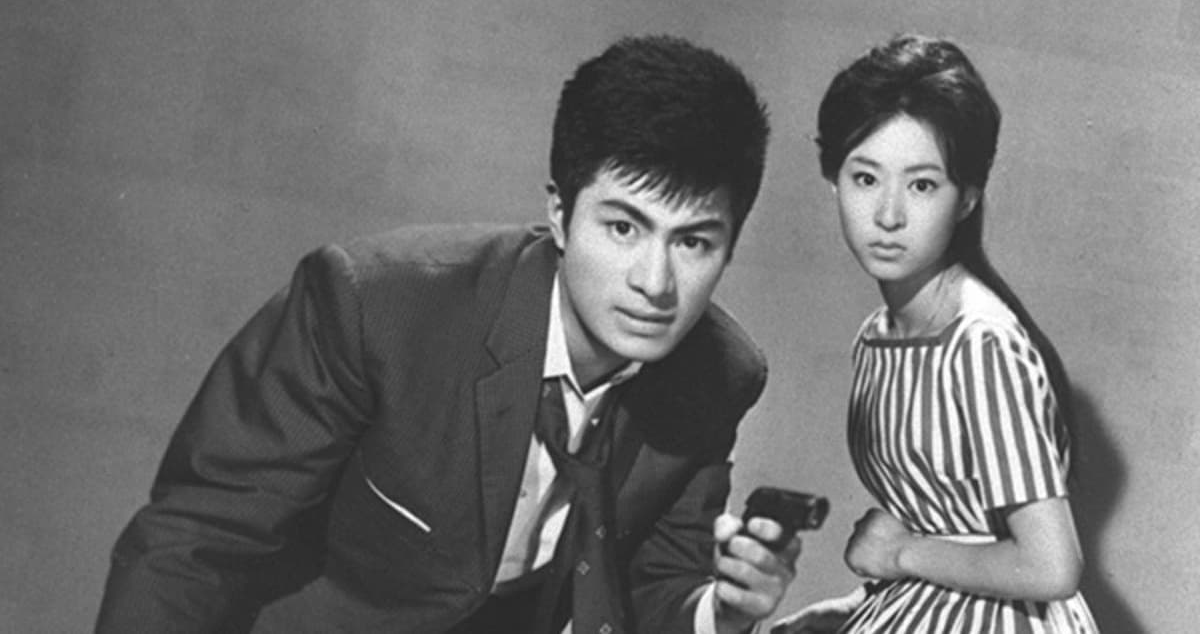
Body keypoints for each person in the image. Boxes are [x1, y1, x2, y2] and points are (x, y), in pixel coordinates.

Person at [96, 34, 802, 634]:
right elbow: (199, 540)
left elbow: (652, 589)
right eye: (623, 228)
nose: (655, 281)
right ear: (560, 215)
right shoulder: (377, 306)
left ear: (730, 247)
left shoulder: (720, 374)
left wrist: (722, 612)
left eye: (693, 242)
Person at [772, 34, 1098, 632]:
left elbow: (1051, 567)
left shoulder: (981, 343)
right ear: (833, 180)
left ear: (966, 197)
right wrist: (854, 612)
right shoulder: (878, 338)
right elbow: (948, 527)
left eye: (922, 185)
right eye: (865, 179)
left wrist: (899, 554)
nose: (888, 214)